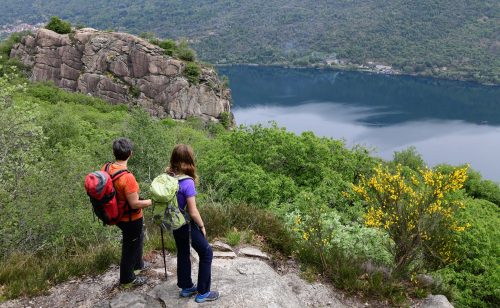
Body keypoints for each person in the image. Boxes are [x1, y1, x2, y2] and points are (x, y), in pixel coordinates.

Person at [167, 144, 219, 303]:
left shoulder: (168, 176)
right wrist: (202, 226)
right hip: (187, 224)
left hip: (175, 223)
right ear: (189, 160)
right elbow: (193, 211)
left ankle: (186, 287)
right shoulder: (187, 182)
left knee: (183, 252)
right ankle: (203, 292)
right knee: (206, 252)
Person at [105, 138, 152, 287]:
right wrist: (152, 202)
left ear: (114, 152)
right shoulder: (127, 177)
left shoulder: (106, 168)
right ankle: (127, 279)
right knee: (129, 246)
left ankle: (138, 266)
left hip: (116, 214)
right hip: (130, 218)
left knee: (137, 239)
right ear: (131, 154)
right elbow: (134, 203)